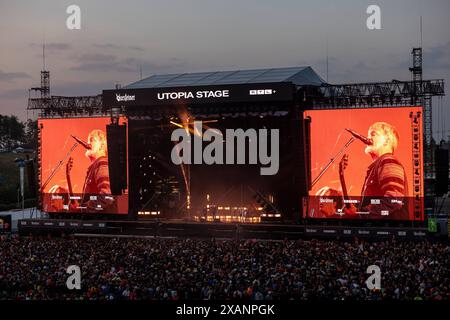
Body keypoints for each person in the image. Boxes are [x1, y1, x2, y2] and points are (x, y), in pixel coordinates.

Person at [348, 122, 409, 219]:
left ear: (386, 141)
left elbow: (394, 199)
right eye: (368, 135)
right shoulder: (379, 164)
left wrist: (360, 213)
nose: (368, 138)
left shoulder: (388, 160)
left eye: (373, 134)